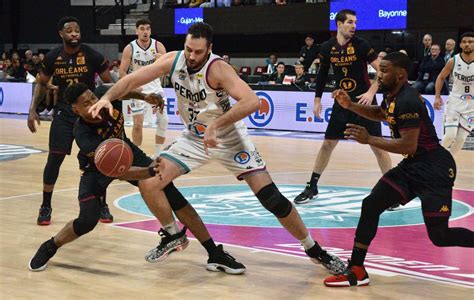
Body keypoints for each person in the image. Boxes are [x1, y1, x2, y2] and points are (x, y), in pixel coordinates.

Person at [90, 22, 345, 275]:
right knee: (149, 182)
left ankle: (314, 250)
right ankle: (173, 235)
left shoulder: (219, 69)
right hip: (193, 139)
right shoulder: (173, 59)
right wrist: (106, 97)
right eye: (189, 49)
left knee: (272, 200)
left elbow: (252, 101)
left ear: (209, 48)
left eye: (198, 52)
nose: (191, 56)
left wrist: (216, 125)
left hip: (229, 138)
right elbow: (133, 79)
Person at [29, 83, 246, 274]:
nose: (93, 104)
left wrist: (145, 97)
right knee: (87, 221)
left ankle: (214, 253)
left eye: (93, 98)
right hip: (97, 170)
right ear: (76, 110)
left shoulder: (106, 96)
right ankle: (50, 245)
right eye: (85, 104)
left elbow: (124, 90)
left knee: (172, 195)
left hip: (128, 150)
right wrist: (150, 172)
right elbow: (118, 171)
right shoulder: (83, 133)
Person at [323, 52, 474, 287]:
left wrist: (369, 138)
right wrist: (350, 105)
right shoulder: (392, 95)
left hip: (434, 170)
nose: (378, 75)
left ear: (401, 75)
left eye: (384, 71)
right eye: (378, 70)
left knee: (440, 236)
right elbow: (382, 113)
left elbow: (408, 144)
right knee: (371, 204)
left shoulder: (408, 100)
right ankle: (357, 269)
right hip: (413, 166)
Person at [294, 9, 391, 204]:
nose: (354, 25)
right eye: (349, 22)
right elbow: (322, 74)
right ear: (339, 24)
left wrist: (372, 92)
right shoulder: (327, 47)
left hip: (364, 104)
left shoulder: (362, 45)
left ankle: (392, 191)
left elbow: (383, 71)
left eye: (355, 22)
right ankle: (312, 186)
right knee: (328, 143)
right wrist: (317, 99)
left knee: (378, 146)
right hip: (342, 103)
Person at [26, 16, 113, 226]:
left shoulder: (91, 55)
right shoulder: (53, 56)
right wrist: (32, 110)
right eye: (69, 30)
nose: (74, 33)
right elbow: (42, 83)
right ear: (61, 34)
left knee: (99, 161)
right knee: (54, 160)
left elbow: (109, 83)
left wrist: (108, 105)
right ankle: (46, 205)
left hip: (89, 116)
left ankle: (102, 203)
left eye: (77, 30)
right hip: (64, 115)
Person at [119, 19, 168, 158]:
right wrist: (131, 85)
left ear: (150, 31)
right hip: (138, 88)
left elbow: (168, 70)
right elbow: (122, 72)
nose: (145, 31)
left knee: (164, 120)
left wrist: (161, 60)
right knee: (137, 124)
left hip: (155, 87)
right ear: (136, 31)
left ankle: (158, 153)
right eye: (142, 28)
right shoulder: (130, 48)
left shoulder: (158, 46)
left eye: (148, 29)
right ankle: (137, 156)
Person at [434, 32, 474, 155]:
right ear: (461, 44)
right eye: (465, 42)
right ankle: (436, 157)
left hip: (471, 105)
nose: (467, 44)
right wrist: (437, 96)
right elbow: (441, 78)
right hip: (455, 101)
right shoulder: (453, 60)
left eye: (470, 42)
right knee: (450, 136)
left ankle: (448, 162)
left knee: (461, 139)